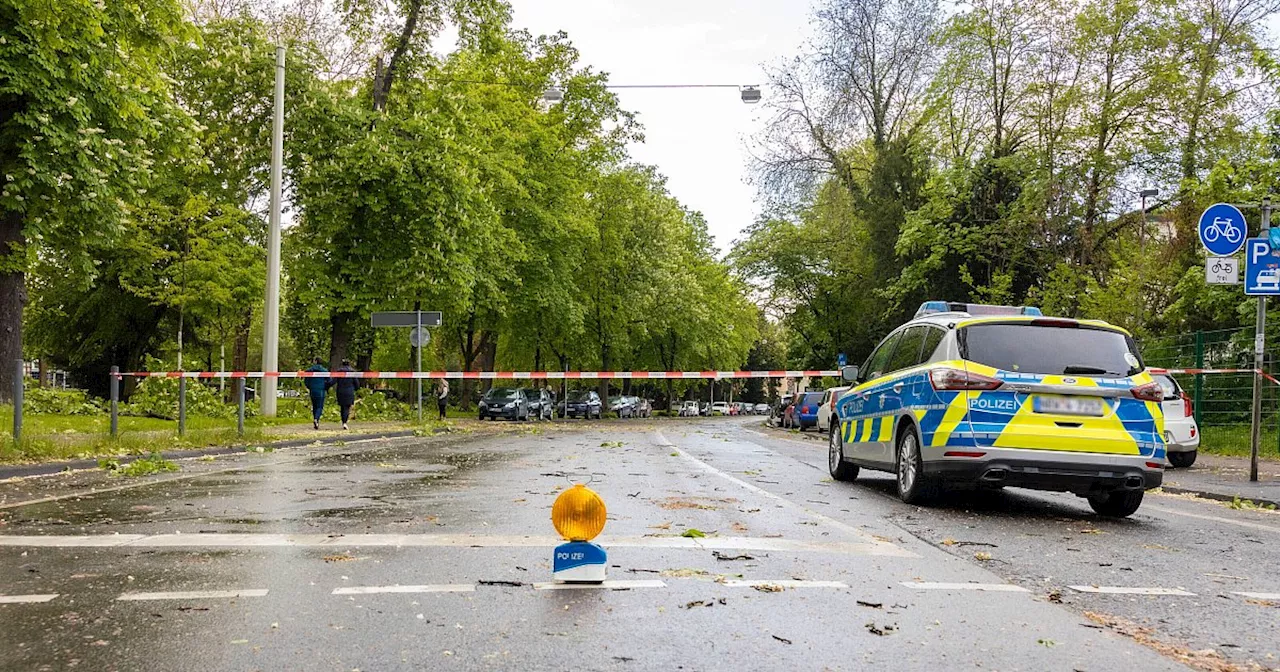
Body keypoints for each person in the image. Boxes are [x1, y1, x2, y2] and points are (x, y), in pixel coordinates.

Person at [304, 357, 329, 430]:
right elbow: (329, 380)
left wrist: (309, 387)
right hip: (321, 390)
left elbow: (306, 381)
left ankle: (316, 420)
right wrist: (325, 387)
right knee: (320, 406)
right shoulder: (324, 371)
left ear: (315, 361)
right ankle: (316, 419)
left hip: (312, 390)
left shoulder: (309, 371)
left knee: (314, 406)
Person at [333, 358, 358, 430]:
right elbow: (356, 383)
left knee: (342, 407)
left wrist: (326, 386)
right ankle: (345, 422)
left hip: (340, 391)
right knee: (347, 407)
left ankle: (343, 421)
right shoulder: (352, 372)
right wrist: (356, 388)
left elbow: (333, 381)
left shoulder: (339, 372)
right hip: (349, 392)